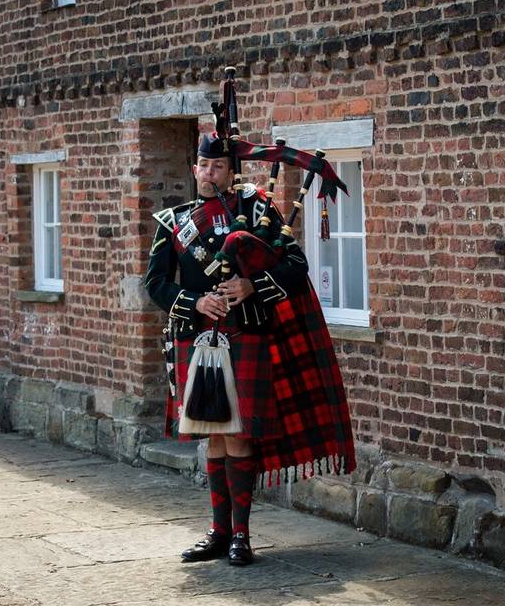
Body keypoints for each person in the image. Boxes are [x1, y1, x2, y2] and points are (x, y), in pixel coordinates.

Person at [144, 132, 355, 566]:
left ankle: (240, 535)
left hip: (247, 334)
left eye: (218, 167)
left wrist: (250, 286)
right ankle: (218, 533)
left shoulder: (256, 210)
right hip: (199, 338)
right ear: (194, 169)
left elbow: (296, 268)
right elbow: (156, 284)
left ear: (230, 170)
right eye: (203, 166)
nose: (209, 174)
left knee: (239, 436)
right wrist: (196, 301)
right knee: (215, 440)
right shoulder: (174, 222)